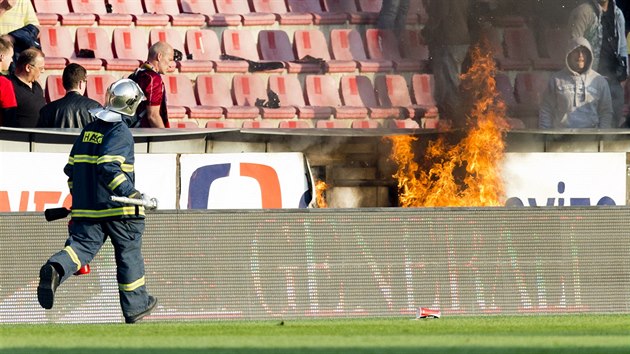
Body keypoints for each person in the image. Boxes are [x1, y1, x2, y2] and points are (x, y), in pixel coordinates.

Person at [37, 78, 158, 324]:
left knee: (80, 248)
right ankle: (136, 306)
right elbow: (109, 167)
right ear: (132, 105)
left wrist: (79, 201)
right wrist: (132, 195)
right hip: (119, 210)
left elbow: (71, 169)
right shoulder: (120, 131)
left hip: (88, 209)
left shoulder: (90, 129)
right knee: (129, 254)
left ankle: (56, 268)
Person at [568, 0, 628, 127]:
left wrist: (624, 75)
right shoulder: (584, 11)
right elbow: (573, 44)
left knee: (612, 124)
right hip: (590, 78)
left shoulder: (618, 14)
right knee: (589, 123)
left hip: (613, 79)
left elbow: (622, 45)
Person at [539, 37, 613, 129]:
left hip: (591, 138)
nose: (580, 55)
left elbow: (606, 112)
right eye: (576, 51)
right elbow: (546, 110)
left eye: (584, 52)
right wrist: (545, 136)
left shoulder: (600, 81)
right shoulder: (556, 79)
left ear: (589, 56)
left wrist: (602, 137)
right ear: (569, 54)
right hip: (560, 138)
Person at [423, 0, 471, 129]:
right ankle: (453, 121)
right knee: (452, 82)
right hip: (460, 39)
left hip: (447, 41)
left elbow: (439, 15)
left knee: (448, 85)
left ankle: (453, 122)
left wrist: (425, 33)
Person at [37, 63, 102, 128]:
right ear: (80, 83)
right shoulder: (95, 108)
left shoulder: (47, 110)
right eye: (86, 81)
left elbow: (41, 137)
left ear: (63, 83)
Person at [129, 41, 174, 128]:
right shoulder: (153, 78)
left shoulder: (137, 74)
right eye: (169, 60)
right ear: (159, 56)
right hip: (145, 135)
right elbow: (153, 116)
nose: (170, 65)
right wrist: (165, 139)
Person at [3, 47, 45, 127]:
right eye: (41, 68)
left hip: (39, 137)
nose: (43, 71)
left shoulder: (37, 86)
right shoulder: (8, 86)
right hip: (17, 137)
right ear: (28, 68)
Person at [0, 0, 40, 68]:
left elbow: (35, 28)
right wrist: (2, 9)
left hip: (13, 63)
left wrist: (12, 37)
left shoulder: (23, 1)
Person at [0, 36, 15, 125]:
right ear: (2, 57)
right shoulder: (4, 83)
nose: (12, 60)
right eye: (11, 56)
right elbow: (10, 116)